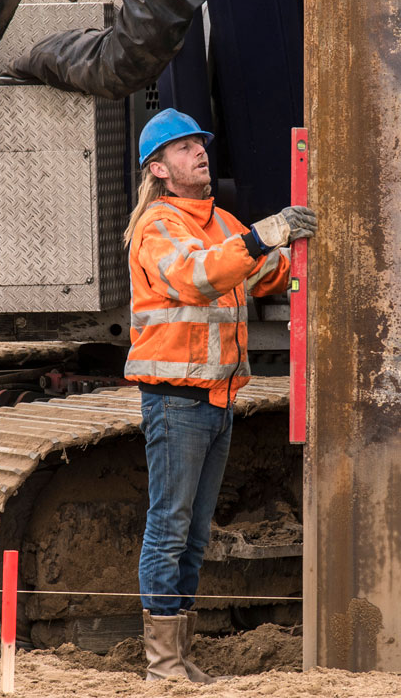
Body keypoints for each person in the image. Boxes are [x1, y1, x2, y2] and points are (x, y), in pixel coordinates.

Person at [123, 108, 316, 682]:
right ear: (158, 169)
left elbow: (266, 273)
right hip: (175, 401)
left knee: (195, 534)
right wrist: (263, 236)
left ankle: (179, 657)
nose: (199, 153)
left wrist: (296, 250)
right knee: (169, 527)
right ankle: (162, 667)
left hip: (216, 399)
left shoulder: (221, 221)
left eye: (199, 144)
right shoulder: (158, 226)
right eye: (183, 149)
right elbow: (198, 276)